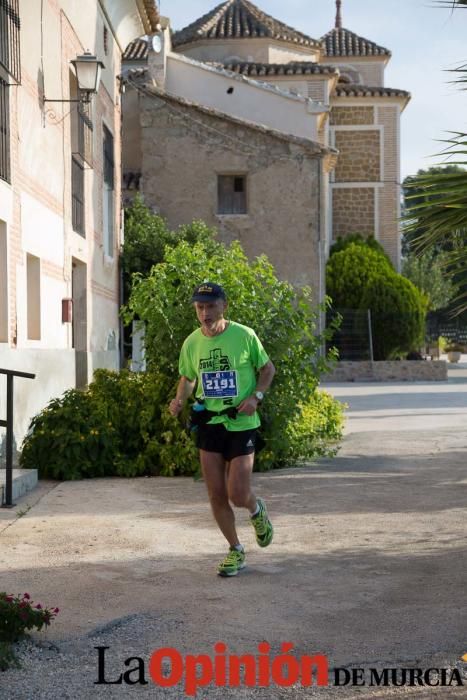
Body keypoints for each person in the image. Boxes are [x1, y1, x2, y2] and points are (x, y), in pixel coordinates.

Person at [169, 282, 276, 577]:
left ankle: (256, 510)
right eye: (200, 307)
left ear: (223, 306)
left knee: (238, 493)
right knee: (216, 494)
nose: (205, 313)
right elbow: (189, 377)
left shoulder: (244, 336)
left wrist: (256, 397)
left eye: (211, 306)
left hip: (241, 423)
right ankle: (235, 550)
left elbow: (267, 370)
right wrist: (179, 399)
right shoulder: (192, 343)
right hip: (209, 424)